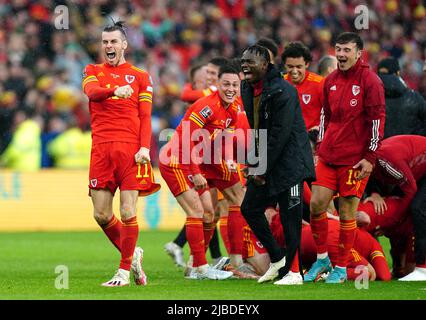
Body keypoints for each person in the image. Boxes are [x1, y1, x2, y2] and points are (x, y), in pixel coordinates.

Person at [82, 21, 160, 287]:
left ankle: (124, 271)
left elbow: (146, 116)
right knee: (101, 215)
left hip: (130, 151)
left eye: (114, 42)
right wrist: (114, 90)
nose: (108, 46)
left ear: (124, 44)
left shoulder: (140, 76)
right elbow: (92, 94)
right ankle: (133, 252)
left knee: (128, 211)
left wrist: (145, 148)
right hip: (101, 149)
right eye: (105, 42)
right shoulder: (92, 70)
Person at [304, 32, 386, 284]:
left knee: (347, 214)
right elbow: (324, 117)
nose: (340, 54)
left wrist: (370, 158)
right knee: (316, 204)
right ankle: (322, 259)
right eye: (338, 49)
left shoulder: (370, 82)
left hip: (354, 160)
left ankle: (340, 267)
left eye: (346, 50)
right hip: (329, 155)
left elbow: (377, 121)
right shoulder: (330, 81)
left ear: (359, 53)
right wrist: (320, 146)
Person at [159, 65, 243, 280]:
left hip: (195, 160)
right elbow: (186, 137)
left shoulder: (232, 110)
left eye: (235, 85)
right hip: (176, 160)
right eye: (226, 84)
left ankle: (195, 267)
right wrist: (196, 173)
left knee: (209, 213)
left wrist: (228, 160)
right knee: (196, 212)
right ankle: (201, 268)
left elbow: (220, 140)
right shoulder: (206, 106)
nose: (230, 88)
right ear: (218, 85)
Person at [240, 45, 316, 285]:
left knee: (290, 218)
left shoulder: (284, 91)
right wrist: (254, 163)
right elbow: (258, 129)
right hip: (268, 158)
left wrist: (261, 167)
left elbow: (280, 134)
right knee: (250, 208)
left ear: (266, 64)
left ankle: (295, 274)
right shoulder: (247, 87)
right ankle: (278, 259)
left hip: (291, 162)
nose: (244, 66)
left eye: (250, 62)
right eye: (243, 61)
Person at [367, 135, 426, 281]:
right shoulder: (372, 160)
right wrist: (375, 193)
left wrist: (393, 221)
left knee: (417, 209)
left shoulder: (386, 161)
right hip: (415, 171)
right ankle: (401, 265)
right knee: (398, 206)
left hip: (418, 172)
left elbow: (411, 189)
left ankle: (422, 268)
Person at [376, 57, 426, 138]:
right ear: (398, 73)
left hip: (379, 148)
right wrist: (416, 137)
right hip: (408, 148)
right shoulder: (414, 97)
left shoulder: (368, 97)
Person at [281, 42, 324, 132]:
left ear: (307, 64)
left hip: (310, 140)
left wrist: (320, 129)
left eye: (298, 67)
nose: (294, 71)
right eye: (290, 67)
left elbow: (331, 113)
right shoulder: (279, 84)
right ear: (285, 65)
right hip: (285, 140)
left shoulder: (320, 84)